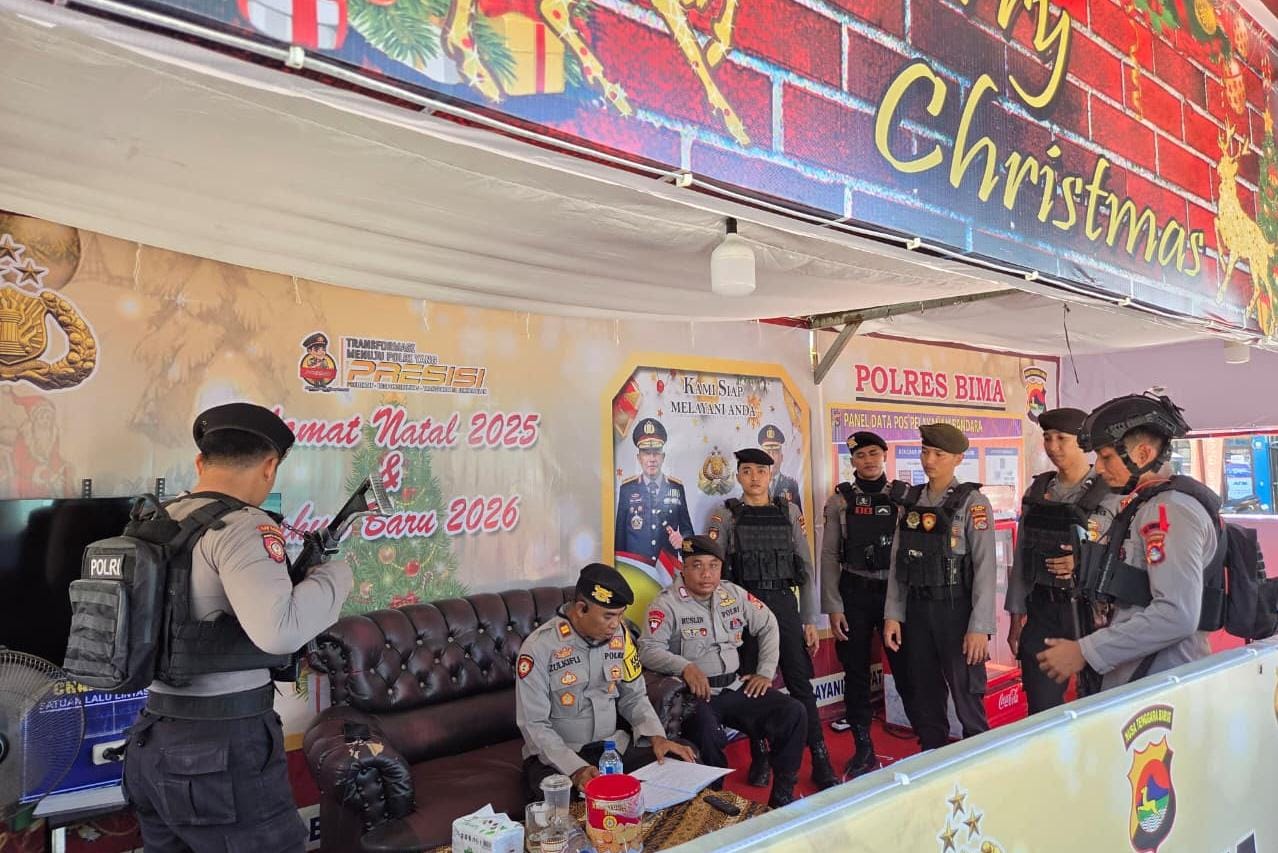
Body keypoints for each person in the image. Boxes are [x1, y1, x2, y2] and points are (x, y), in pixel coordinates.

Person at [123, 403, 353, 853]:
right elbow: (280, 630)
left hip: (151, 740)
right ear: (269, 467)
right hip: (220, 748)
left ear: (199, 463)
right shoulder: (243, 526)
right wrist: (335, 576)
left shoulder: (153, 522)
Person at [1038, 393, 1214, 691]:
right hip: (1142, 676)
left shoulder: (1168, 511)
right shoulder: (1145, 506)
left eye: (1106, 457)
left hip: (1160, 682)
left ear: (1143, 455)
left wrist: (1086, 651)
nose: (1099, 468)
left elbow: (1177, 614)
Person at [639, 535, 806, 807]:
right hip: (697, 694)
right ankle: (714, 800)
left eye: (713, 566)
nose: (706, 574)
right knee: (707, 731)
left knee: (793, 712)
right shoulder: (666, 604)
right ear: (683, 568)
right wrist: (685, 666)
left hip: (735, 687)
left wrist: (765, 672)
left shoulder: (732, 594)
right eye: (697, 565)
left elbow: (768, 623)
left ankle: (782, 794)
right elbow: (647, 649)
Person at [707, 448, 837, 789]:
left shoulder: (789, 511)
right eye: (747, 471)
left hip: (783, 604)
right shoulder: (726, 514)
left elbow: (804, 567)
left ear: (771, 475)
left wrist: (809, 619)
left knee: (800, 684)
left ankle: (820, 756)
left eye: (761, 471)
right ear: (738, 475)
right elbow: (715, 573)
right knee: (753, 685)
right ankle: (760, 755)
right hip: (744, 607)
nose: (754, 478)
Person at [515, 563, 697, 798]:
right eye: (608, 616)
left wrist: (656, 736)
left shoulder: (620, 636)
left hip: (611, 749)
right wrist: (576, 769)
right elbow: (535, 725)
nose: (616, 624)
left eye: (620, 615)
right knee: (570, 801)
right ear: (581, 609)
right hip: (559, 758)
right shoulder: (539, 648)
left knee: (678, 763)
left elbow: (634, 696)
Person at [883, 424, 995, 752]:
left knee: (967, 695)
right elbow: (898, 562)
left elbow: (986, 568)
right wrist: (893, 614)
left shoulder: (972, 503)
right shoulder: (911, 501)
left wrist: (979, 627)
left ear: (958, 458)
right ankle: (932, 757)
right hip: (917, 610)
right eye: (924, 451)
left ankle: (980, 761)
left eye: (938, 454)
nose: (929, 460)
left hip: (956, 611)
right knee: (925, 693)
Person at [1005, 408, 1121, 712]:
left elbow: (1123, 553)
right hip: (1043, 609)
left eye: (1061, 438)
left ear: (1083, 442)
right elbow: (1022, 556)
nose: (1053, 446)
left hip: (1092, 613)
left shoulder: (1111, 491)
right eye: (1047, 438)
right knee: (1041, 707)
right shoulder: (1038, 491)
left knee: (1099, 704)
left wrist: (1084, 563)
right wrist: (1016, 617)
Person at [821, 431, 913, 778]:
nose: (869, 461)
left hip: (894, 595)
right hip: (854, 594)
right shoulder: (840, 501)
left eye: (874, 453)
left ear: (885, 455)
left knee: (907, 669)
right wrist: (833, 606)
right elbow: (830, 555)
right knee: (855, 673)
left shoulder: (904, 497)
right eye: (861, 455)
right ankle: (863, 748)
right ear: (853, 461)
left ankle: (924, 740)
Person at [615, 418, 694, 567]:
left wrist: (683, 542)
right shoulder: (627, 489)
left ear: (663, 457)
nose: (652, 459)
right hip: (637, 571)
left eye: (656, 453)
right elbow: (620, 539)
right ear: (639, 458)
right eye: (646, 453)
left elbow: (689, 534)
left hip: (667, 569)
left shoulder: (676, 488)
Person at [760, 424, 802, 512]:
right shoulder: (754, 484)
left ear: (781, 457)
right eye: (768, 452)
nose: (771, 457)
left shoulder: (791, 485)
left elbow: (797, 516)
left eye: (775, 452)